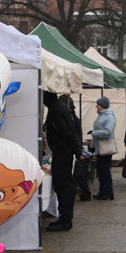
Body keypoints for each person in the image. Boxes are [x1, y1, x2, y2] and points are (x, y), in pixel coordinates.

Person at [43, 91, 82, 231]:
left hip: (62, 152)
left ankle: (65, 220)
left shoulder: (55, 109)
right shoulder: (60, 106)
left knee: (63, 185)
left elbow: (65, 131)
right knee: (64, 185)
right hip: (64, 151)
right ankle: (65, 217)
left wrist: (77, 149)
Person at [65, 95, 93, 201]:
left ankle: (79, 195)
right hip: (77, 148)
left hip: (75, 149)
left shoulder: (72, 119)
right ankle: (85, 194)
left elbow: (74, 136)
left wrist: (77, 150)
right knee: (80, 175)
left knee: (78, 175)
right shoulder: (73, 117)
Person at [89, 96, 117, 200]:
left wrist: (94, 133)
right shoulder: (101, 116)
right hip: (99, 148)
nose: (96, 106)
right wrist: (92, 146)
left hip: (105, 148)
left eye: (98, 104)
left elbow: (108, 132)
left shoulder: (109, 117)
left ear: (102, 106)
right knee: (100, 170)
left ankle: (108, 191)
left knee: (104, 170)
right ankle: (103, 191)